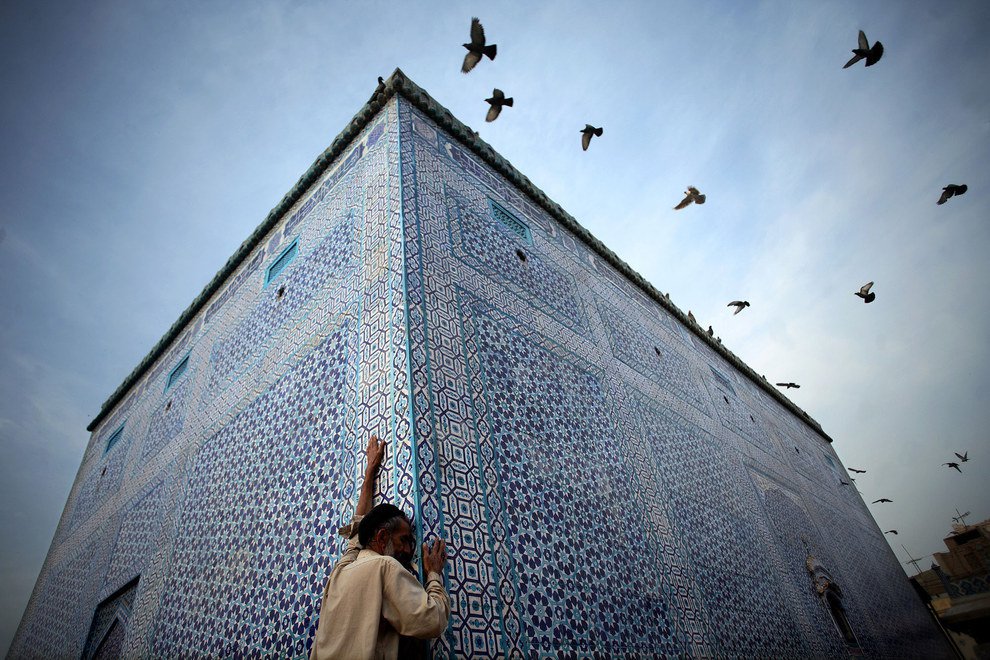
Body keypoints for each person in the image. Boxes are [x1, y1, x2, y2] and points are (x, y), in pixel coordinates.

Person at [309, 436, 450, 659]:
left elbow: (359, 525)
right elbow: (431, 620)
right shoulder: (385, 567)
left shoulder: (341, 571)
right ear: (382, 536)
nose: (407, 550)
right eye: (404, 540)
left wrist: (370, 472)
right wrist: (433, 575)